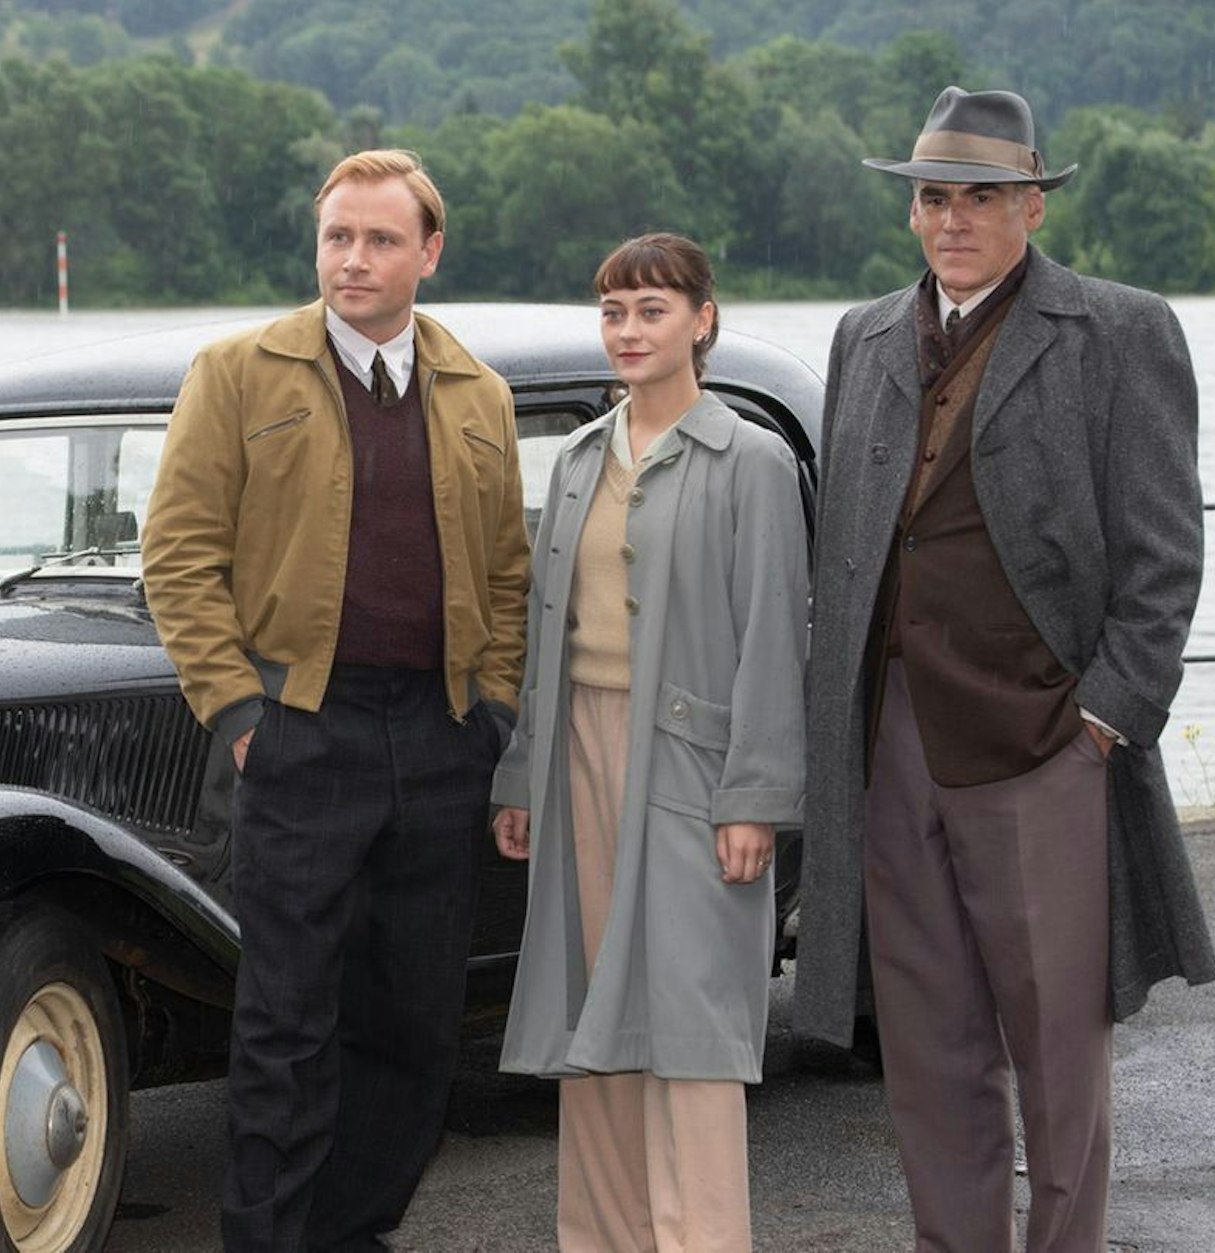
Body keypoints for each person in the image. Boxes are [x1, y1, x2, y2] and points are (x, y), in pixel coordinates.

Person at [794, 86, 1215, 1252]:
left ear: (1031, 204)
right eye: (934, 197)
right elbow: (846, 546)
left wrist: (1104, 716)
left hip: (1043, 745)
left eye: (979, 197)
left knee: (1057, 1055)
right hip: (891, 741)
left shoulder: (1118, 330)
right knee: (927, 1051)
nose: (952, 219)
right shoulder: (861, 336)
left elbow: (1163, 552)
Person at [141, 149, 530, 1252]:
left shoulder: (479, 393)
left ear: (429, 252)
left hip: (440, 737)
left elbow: (508, 573)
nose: (353, 259)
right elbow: (176, 555)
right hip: (297, 731)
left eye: (379, 239)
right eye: (337, 238)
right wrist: (239, 714)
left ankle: (353, 1234)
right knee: (284, 1024)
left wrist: (493, 712)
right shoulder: (237, 372)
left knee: (415, 1023)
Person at [491, 232, 807, 1251]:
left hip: (693, 769)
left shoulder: (750, 460)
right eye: (613, 311)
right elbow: (545, 631)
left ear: (701, 320)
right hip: (573, 754)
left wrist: (754, 796)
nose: (627, 330)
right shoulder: (580, 459)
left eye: (651, 310)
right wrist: (520, 773)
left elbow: (774, 636)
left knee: (690, 1022)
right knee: (593, 1014)